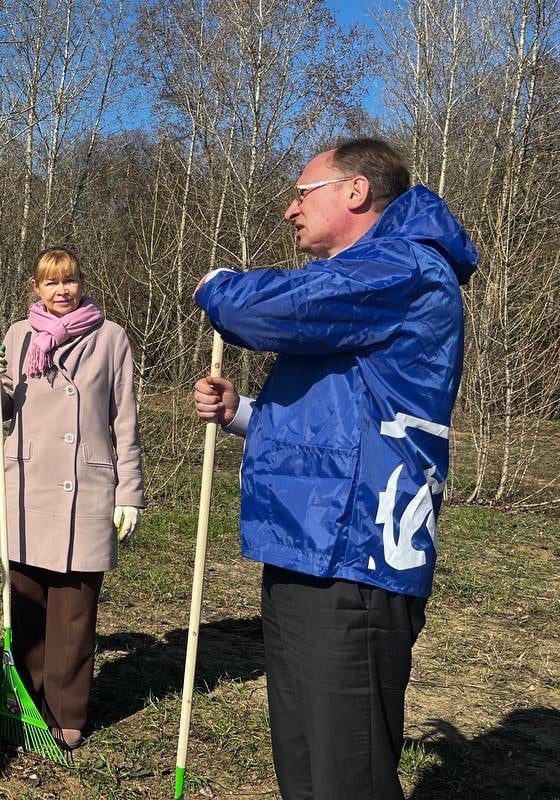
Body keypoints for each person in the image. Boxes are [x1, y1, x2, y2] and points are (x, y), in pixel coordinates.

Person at [192, 138, 478, 800]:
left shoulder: (402, 268)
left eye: (301, 193)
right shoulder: (361, 286)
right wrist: (243, 414)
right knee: (305, 763)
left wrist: (218, 286)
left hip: (358, 557)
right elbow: (336, 427)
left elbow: (263, 308)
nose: (291, 210)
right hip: (306, 546)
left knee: (347, 776)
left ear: (354, 192)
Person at [0, 247, 146, 751]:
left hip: (87, 485)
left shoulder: (110, 338)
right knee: (26, 602)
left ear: (81, 282)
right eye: (51, 283)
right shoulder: (16, 335)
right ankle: (26, 700)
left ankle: (66, 709)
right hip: (28, 482)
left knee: (75, 609)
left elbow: (125, 420)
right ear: (36, 288)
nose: (61, 290)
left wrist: (130, 492)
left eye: (69, 280)